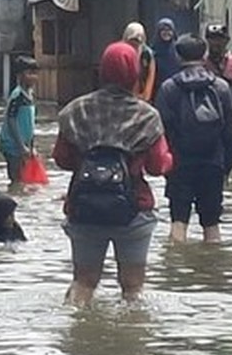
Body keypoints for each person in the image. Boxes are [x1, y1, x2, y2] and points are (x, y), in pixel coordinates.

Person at [52, 42, 173, 305]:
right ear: (135, 73)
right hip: (133, 210)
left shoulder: (75, 111)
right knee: (133, 290)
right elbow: (156, 166)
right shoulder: (147, 117)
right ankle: (130, 341)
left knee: (83, 283)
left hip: (83, 209)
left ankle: (75, 338)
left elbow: (61, 159)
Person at [156, 34, 232, 244]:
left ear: (177, 56)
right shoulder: (221, 87)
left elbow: (161, 133)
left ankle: (175, 271)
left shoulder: (168, 88)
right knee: (212, 226)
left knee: (178, 223)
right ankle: (212, 272)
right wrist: (225, 168)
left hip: (179, 164)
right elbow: (231, 134)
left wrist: (167, 167)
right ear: (204, 55)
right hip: (213, 163)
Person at [0, 55, 39, 182]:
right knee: (16, 179)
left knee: (24, 179)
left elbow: (30, 124)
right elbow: (11, 121)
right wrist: (21, 146)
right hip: (12, 145)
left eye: (35, 73)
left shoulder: (30, 95)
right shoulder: (17, 96)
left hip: (23, 144)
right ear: (20, 76)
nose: (33, 77)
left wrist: (32, 147)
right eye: (29, 73)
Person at [204, 23, 232, 116]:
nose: (216, 43)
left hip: (231, 114)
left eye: (220, 39)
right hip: (207, 115)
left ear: (227, 40)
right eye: (212, 39)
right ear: (207, 41)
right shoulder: (201, 64)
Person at [121, 22, 158, 102]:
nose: (135, 43)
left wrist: (145, 96)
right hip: (123, 96)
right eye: (132, 40)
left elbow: (150, 75)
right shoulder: (120, 52)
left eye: (138, 40)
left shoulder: (147, 54)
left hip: (142, 97)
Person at [152, 17, 181, 88]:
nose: (166, 33)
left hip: (177, 86)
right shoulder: (153, 50)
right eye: (163, 30)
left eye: (169, 30)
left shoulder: (179, 48)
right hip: (158, 87)